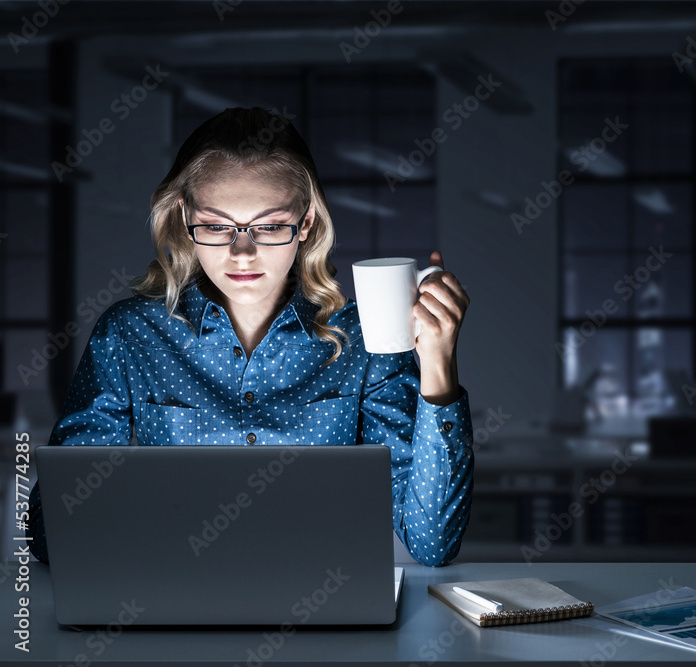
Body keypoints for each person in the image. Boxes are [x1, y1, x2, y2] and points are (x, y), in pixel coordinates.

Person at [26, 107, 473, 567]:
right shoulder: (130, 334)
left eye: (270, 226)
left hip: (325, 609)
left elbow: (432, 544)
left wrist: (439, 364)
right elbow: (48, 532)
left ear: (307, 223)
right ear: (185, 219)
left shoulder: (365, 338)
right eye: (218, 226)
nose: (242, 253)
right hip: (170, 602)